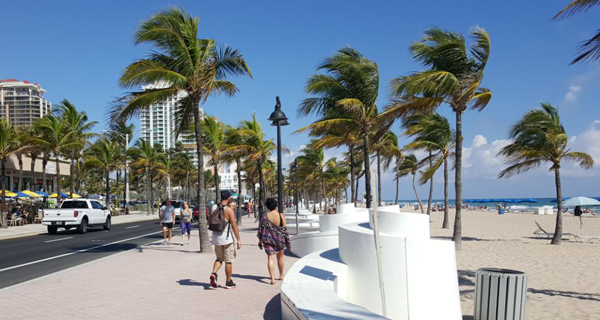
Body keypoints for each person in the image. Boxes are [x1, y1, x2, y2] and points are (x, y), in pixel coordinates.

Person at [209, 191, 241, 289]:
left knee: (219, 259)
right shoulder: (229, 210)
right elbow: (234, 225)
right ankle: (228, 282)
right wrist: (238, 239)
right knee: (228, 261)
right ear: (228, 198)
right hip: (227, 240)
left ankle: (214, 273)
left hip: (216, 238)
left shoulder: (214, 207)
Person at [257, 198, 291, 285]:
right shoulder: (281, 215)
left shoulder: (264, 216)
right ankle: (281, 275)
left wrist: (260, 241)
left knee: (270, 259)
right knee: (280, 258)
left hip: (268, 240)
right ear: (276, 206)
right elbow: (285, 230)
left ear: (267, 207)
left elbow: (261, 230)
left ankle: (272, 279)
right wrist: (288, 242)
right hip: (280, 240)